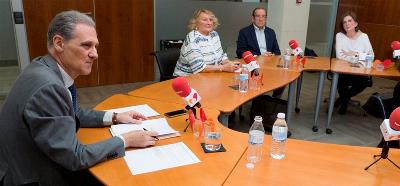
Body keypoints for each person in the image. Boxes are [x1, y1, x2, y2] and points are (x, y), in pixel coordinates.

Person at [0, 11, 158, 185]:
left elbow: (71, 112)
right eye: (86, 45)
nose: (95, 54)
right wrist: (126, 140)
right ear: (59, 43)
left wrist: (115, 117)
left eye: (95, 46)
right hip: (31, 177)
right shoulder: (48, 87)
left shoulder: (45, 67)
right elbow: (75, 157)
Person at [173, 9, 240, 76]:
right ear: (196, 22)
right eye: (205, 20)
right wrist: (223, 67)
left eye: (211, 20)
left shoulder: (214, 34)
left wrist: (230, 63)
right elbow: (200, 68)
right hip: (186, 78)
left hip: (208, 76)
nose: (209, 23)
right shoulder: (192, 39)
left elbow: (220, 56)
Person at [236, 7, 283, 98]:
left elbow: (277, 51)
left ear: (266, 18)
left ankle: (273, 101)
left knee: (283, 79)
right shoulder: (244, 32)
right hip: (254, 66)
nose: (261, 19)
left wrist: (272, 55)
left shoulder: (271, 32)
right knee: (258, 81)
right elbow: (240, 51)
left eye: (263, 16)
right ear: (252, 18)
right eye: (258, 16)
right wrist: (259, 56)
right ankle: (258, 103)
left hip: (270, 65)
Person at [335, 11, 373, 114]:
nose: (347, 24)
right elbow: (340, 56)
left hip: (360, 70)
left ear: (355, 23)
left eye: (350, 21)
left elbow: (370, 56)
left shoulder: (364, 37)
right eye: (344, 22)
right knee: (342, 81)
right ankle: (344, 101)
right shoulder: (340, 36)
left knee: (363, 82)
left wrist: (352, 53)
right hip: (344, 70)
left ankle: (343, 99)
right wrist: (359, 56)